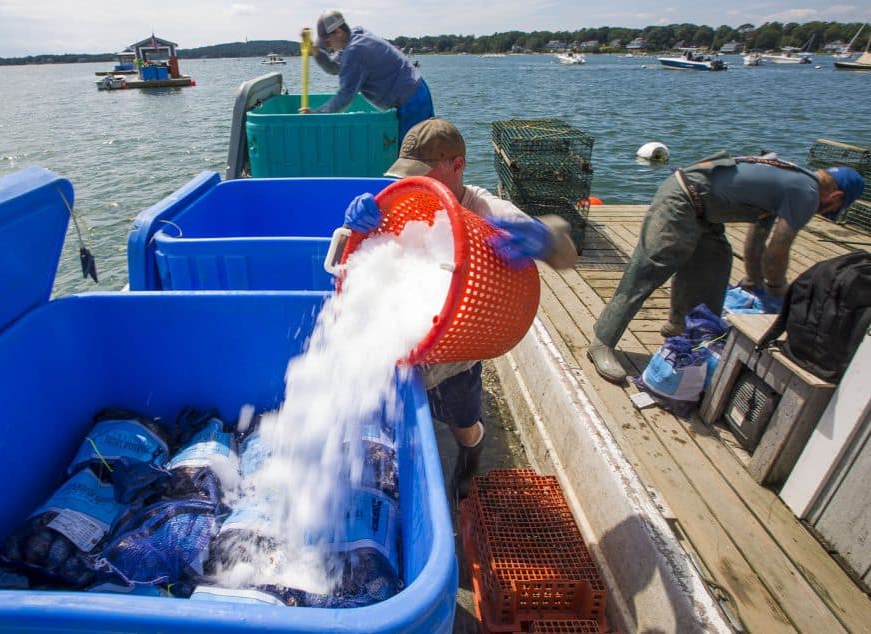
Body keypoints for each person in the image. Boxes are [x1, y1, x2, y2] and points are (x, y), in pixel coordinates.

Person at [342, 118, 578, 499]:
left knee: (463, 424)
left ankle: (470, 457)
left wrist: (547, 237)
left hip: (456, 352)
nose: (420, 184)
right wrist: (355, 224)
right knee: (384, 412)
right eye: (409, 175)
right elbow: (358, 260)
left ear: (458, 165)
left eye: (427, 174)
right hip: (401, 339)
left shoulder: (484, 207)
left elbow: (568, 256)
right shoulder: (405, 200)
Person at [586, 152, 865, 384]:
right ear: (836, 197)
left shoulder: (794, 182)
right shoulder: (807, 192)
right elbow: (778, 251)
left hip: (706, 214)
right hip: (682, 199)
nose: (824, 213)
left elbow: (757, 243)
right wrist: (781, 292)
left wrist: (756, 284)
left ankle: (679, 329)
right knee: (648, 270)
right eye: (831, 210)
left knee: (714, 272)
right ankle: (602, 341)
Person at [302, 10, 434, 142]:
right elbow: (334, 67)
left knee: (413, 154)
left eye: (328, 42)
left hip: (411, 102)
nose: (328, 47)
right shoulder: (355, 34)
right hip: (418, 90)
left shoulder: (354, 51)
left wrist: (316, 115)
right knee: (424, 149)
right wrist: (315, 50)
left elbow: (344, 97)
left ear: (338, 31)